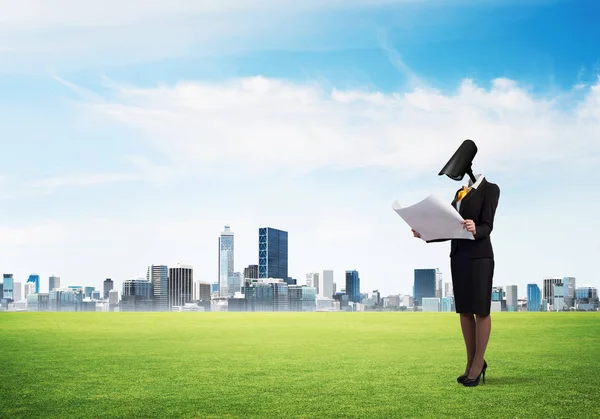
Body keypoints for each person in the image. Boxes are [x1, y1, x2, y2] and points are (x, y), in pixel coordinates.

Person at [411, 139, 500, 387]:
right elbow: (450, 227)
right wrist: (425, 234)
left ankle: (478, 363)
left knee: (481, 310)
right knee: (464, 311)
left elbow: (488, 225)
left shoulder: (490, 189)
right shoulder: (459, 193)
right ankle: (471, 362)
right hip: (459, 256)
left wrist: (476, 227)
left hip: (480, 256)